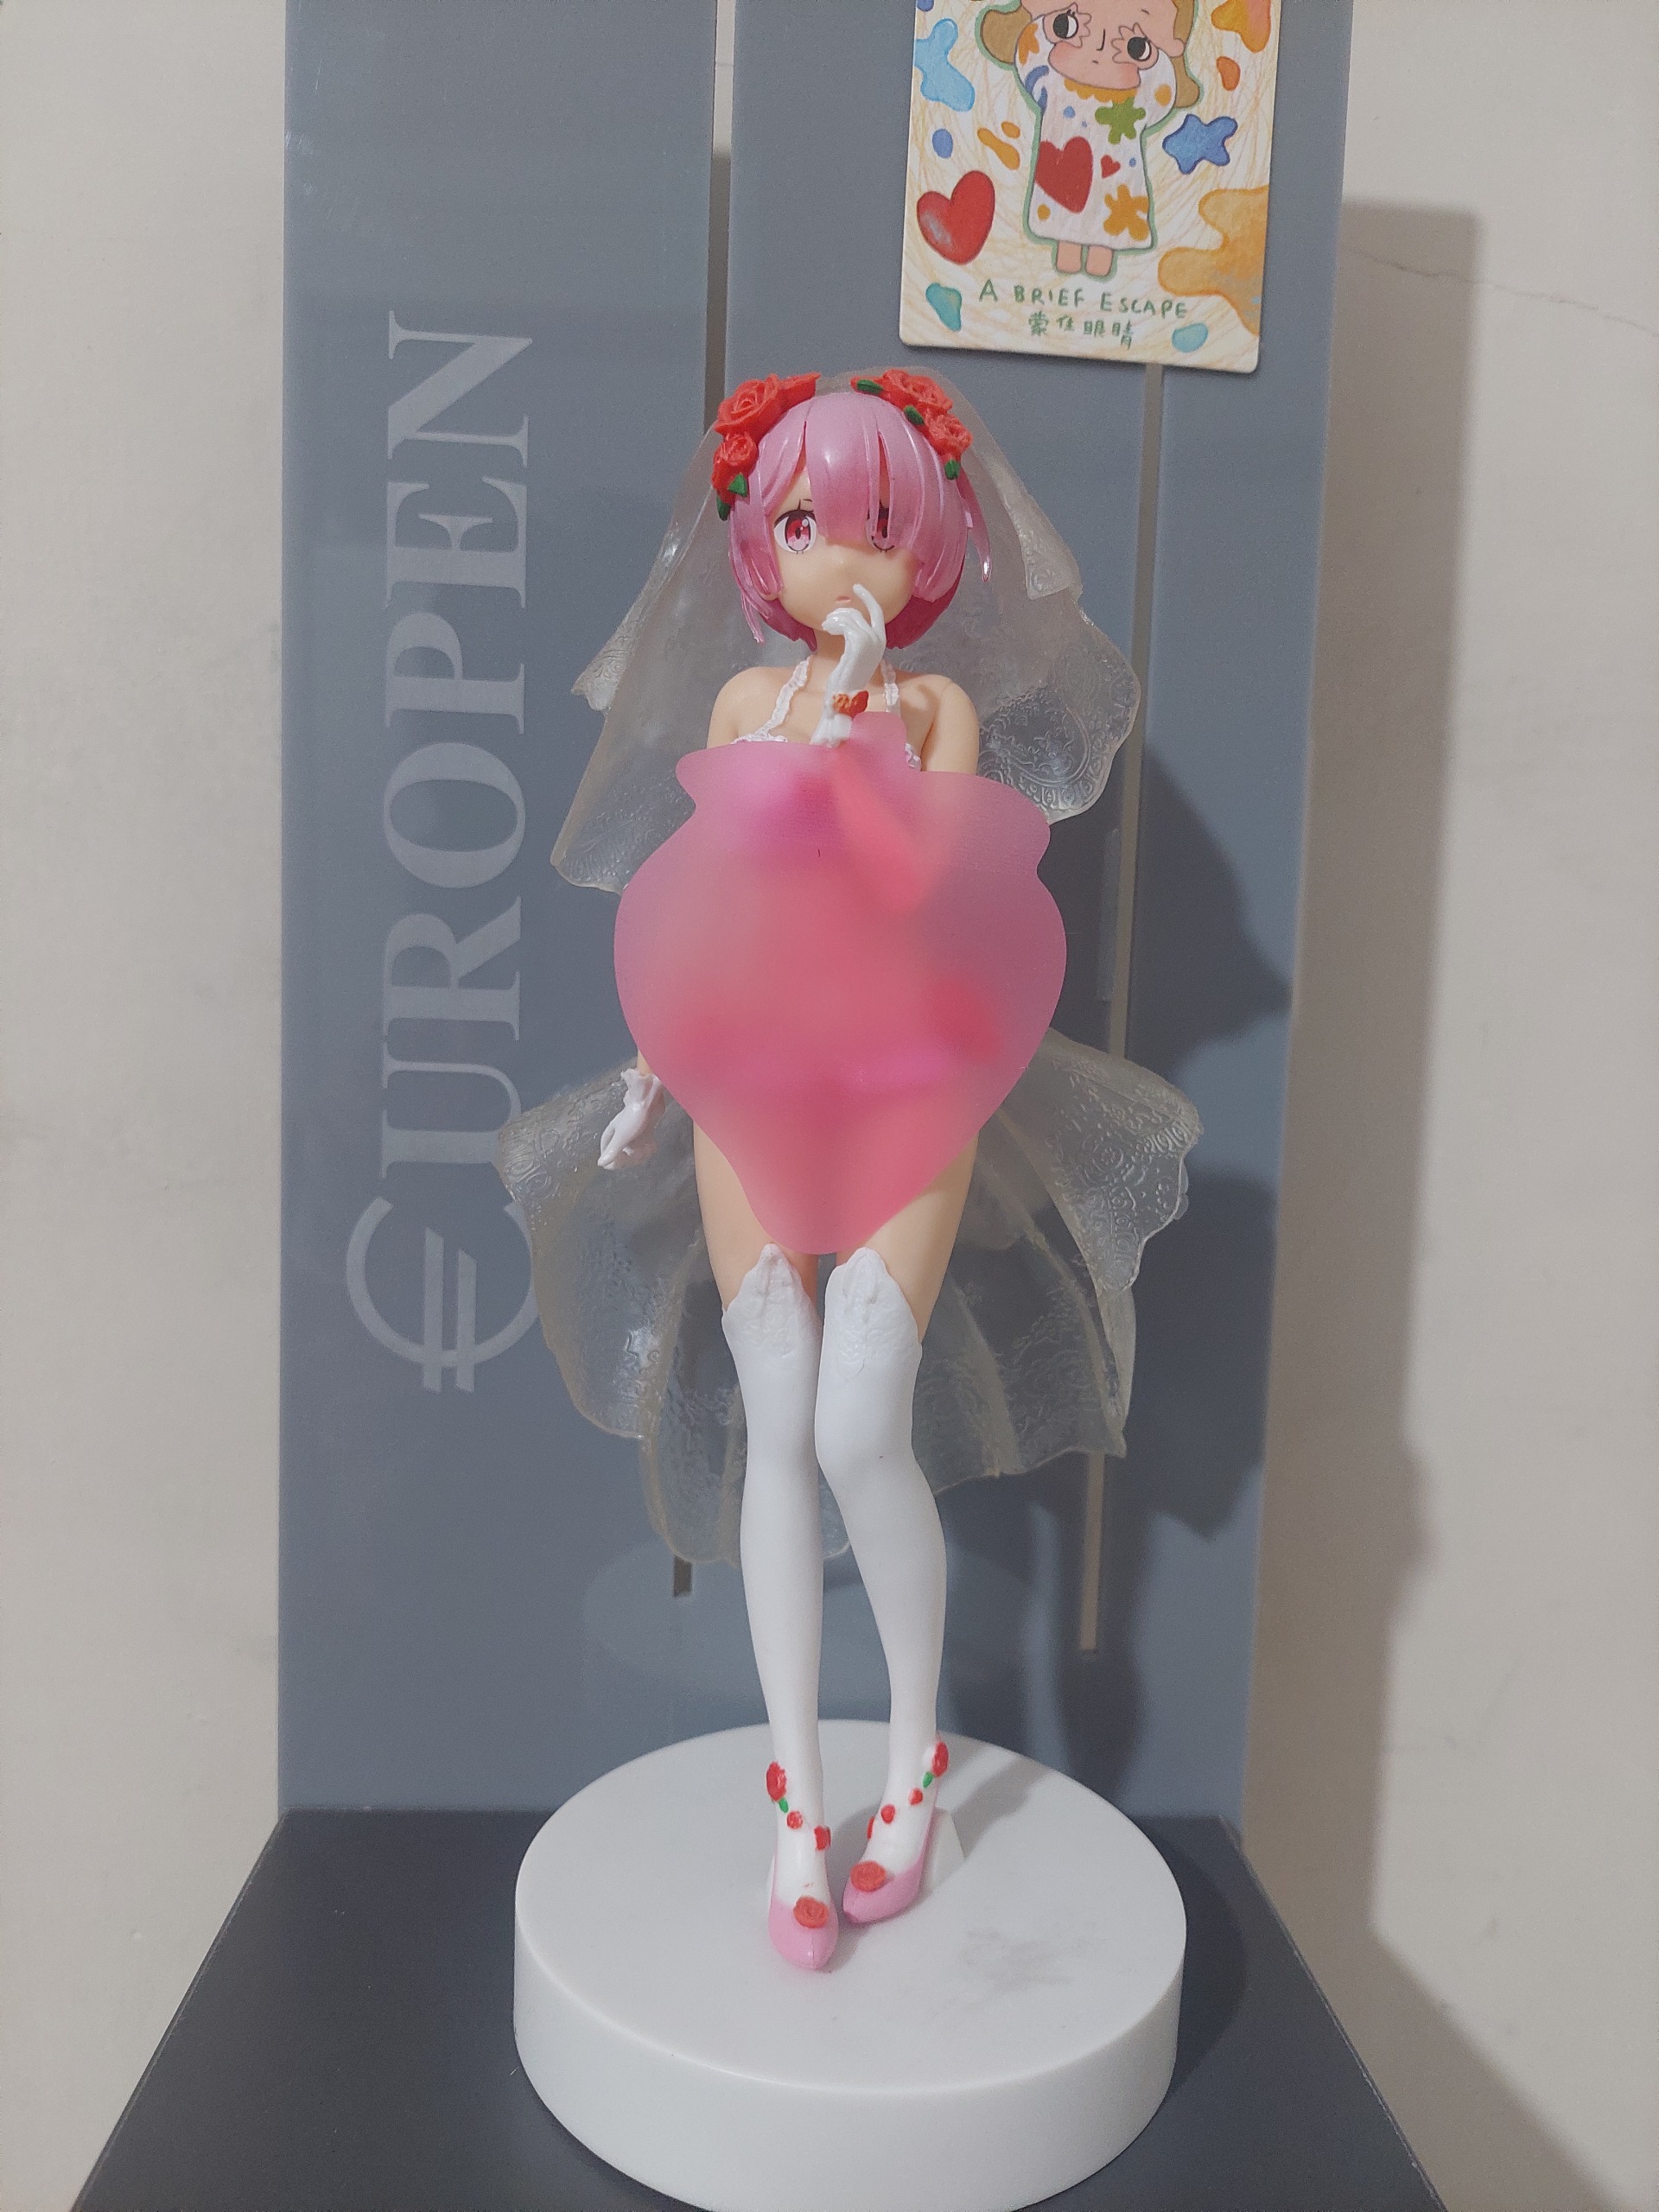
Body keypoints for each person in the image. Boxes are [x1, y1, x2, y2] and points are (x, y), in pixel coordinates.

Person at [498, 369, 1198, 1970]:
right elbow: (713, 911)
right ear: (762, 544)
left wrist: (868, 711)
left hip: (908, 1092)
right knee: (776, 1420)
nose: (843, 558)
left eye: (880, 525)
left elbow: (924, 895)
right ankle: (797, 1801)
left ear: (931, 544)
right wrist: (657, 1067)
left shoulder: (937, 717)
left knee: (860, 1419)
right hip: (752, 1087)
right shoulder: (746, 706)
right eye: (808, 523)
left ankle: (913, 1770)